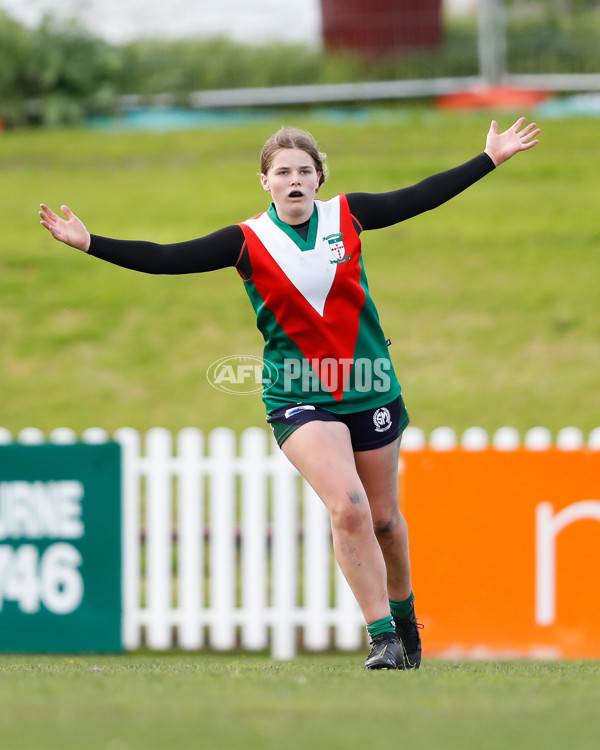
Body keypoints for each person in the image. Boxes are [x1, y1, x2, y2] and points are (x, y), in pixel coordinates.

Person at [40, 116, 540, 670]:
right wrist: (90, 243)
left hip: (370, 385)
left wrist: (489, 159)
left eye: (305, 170)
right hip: (298, 394)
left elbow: (420, 197)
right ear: (266, 182)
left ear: (320, 178)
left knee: (381, 519)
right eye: (283, 172)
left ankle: (404, 620)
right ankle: (383, 637)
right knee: (346, 507)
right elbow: (166, 258)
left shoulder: (347, 216)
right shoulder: (247, 241)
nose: (294, 179)